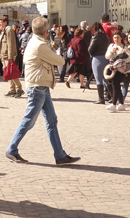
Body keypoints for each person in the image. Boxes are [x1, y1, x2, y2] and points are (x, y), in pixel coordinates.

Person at [5, 17, 80, 165]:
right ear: (46, 32)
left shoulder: (38, 42)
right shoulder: (40, 45)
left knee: (52, 120)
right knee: (29, 121)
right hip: (37, 87)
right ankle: (12, 149)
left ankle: (60, 155)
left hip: (41, 86)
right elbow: (59, 61)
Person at [104, 31, 130, 111]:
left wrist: (121, 58)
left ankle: (113, 104)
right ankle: (121, 103)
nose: (116, 39)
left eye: (117, 37)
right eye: (114, 37)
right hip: (112, 68)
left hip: (120, 69)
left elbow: (129, 59)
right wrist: (111, 52)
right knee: (116, 86)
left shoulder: (124, 48)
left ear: (121, 38)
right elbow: (106, 56)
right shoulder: (111, 46)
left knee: (115, 84)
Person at [0, 16, 21, 97]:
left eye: (1, 22)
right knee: (8, 74)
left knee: (12, 73)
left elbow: (11, 44)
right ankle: (12, 90)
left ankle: (19, 89)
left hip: (8, 55)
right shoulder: (3, 30)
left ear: (5, 22)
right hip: (3, 55)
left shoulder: (9, 30)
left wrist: (10, 57)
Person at [88, 22, 110, 104]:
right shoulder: (106, 37)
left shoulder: (95, 37)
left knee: (99, 79)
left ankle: (101, 98)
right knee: (106, 78)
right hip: (106, 58)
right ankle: (110, 96)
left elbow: (90, 49)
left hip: (97, 58)